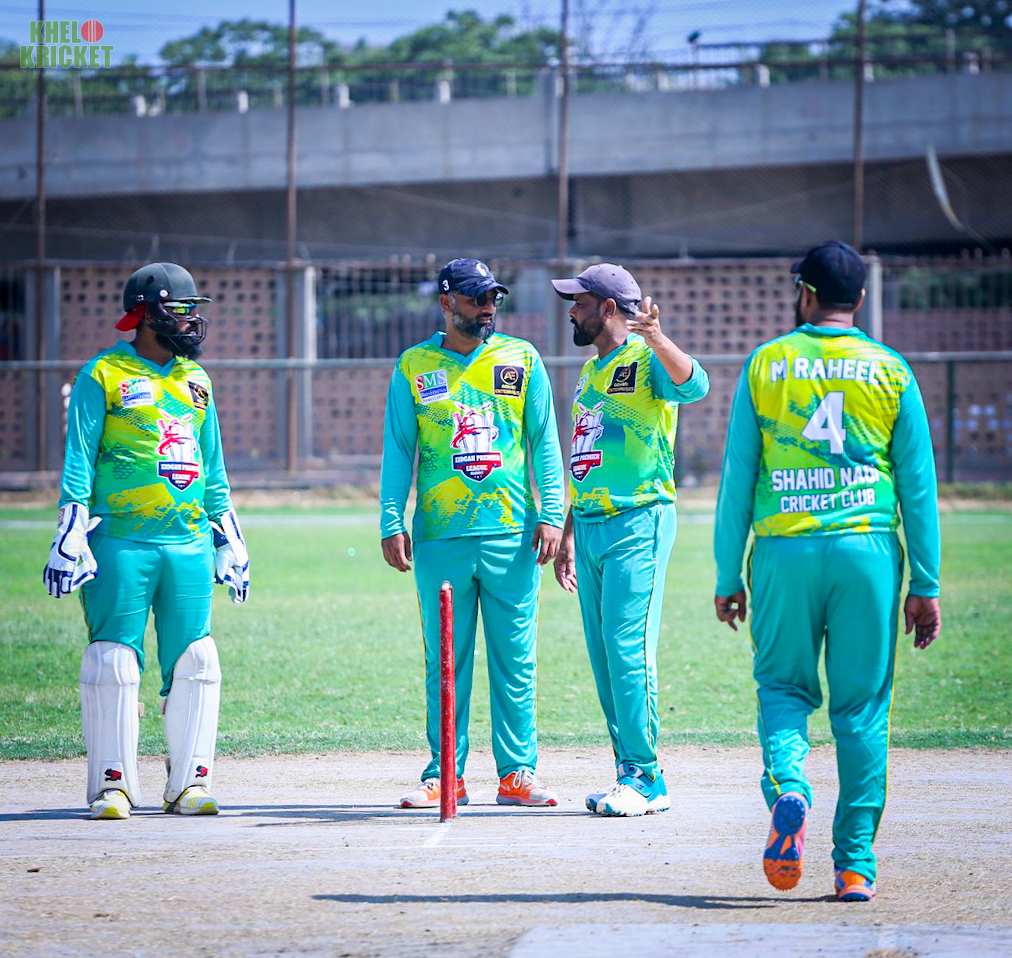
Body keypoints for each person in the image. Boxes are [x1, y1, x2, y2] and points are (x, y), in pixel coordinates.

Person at [713, 240, 941, 901]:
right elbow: (918, 485)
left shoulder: (766, 364)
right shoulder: (890, 369)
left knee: (783, 688)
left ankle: (790, 786)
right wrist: (925, 583)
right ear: (860, 299)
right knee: (862, 709)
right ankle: (854, 866)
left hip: (783, 552)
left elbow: (737, 479)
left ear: (805, 294)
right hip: (867, 552)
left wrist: (729, 575)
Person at [43, 262, 250, 821]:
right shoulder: (102, 374)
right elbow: (79, 460)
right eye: (179, 310)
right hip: (120, 541)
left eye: (192, 310)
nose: (190, 321)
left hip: (188, 543)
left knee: (197, 659)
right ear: (144, 313)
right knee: (112, 661)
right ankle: (112, 787)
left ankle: (189, 784)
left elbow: (213, 468)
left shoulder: (197, 380)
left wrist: (229, 536)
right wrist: (70, 529)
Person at [380, 258, 565, 809]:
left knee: (515, 662)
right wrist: (391, 519)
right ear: (446, 302)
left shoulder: (522, 358)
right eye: (475, 298)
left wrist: (553, 513)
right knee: (445, 662)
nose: (487, 308)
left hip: (513, 534)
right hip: (440, 538)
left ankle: (517, 773)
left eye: (493, 299)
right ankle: (444, 774)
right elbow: (399, 450)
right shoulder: (414, 365)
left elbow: (544, 442)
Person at [550, 264, 710, 817]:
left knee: (627, 649)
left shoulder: (646, 357)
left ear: (610, 308)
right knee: (604, 659)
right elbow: (586, 458)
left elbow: (696, 384)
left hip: (638, 518)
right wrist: (569, 531)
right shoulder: (590, 372)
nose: (572, 311)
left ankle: (647, 778)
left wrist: (657, 336)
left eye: (580, 302)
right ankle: (628, 773)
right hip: (591, 524)